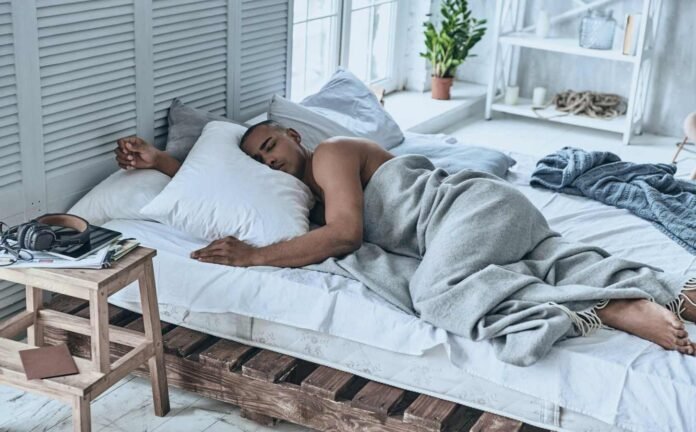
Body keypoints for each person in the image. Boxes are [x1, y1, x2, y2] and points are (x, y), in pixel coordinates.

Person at [115, 121, 696, 357]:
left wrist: (257, 257)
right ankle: (662, 292)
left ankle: (610, 308)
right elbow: (225, 190)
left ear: (293, 135)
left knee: (436, 295)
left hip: (473, 206)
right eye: (259, 162)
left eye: (271, 146)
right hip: (489, 220)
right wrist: (165, 162)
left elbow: (344, 235)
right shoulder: (303, 193)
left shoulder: (332, 156)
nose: (270, 162)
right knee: (550, 262)